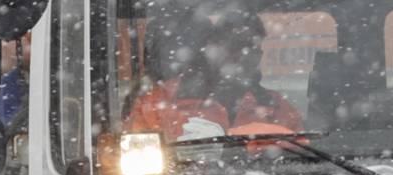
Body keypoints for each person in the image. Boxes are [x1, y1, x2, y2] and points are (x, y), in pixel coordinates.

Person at [123, 2, 304, 141]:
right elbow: (135, 164)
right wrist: (186, 152)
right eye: (235, 45)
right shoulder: (156, 105)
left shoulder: (279, 109)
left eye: (253, 47)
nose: (245, 54)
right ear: (211, 49)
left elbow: (302, 162)